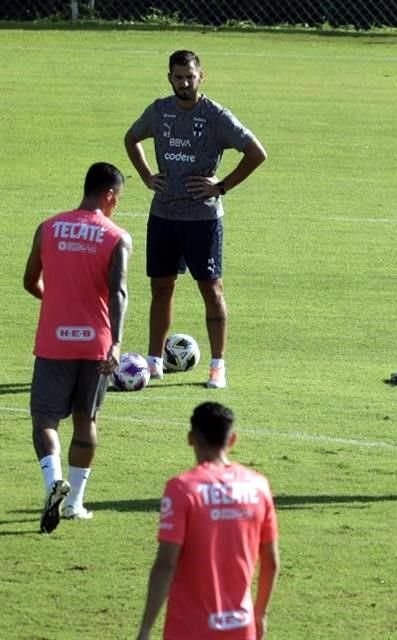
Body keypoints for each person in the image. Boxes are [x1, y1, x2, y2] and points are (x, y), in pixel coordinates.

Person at [124, 49, 267, 389]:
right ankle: (155, 360)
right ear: (169, 78)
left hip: (202, 219)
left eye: (190, 77)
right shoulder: (159, 111)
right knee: (161, 287)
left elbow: (256, 153)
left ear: (201, 77)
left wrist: (221, 186)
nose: (184, 83)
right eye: (178, 77)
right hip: (163, 215)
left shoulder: (216, 116)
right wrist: (146, 176)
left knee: (211, 288)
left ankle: (218, 366)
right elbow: (131, 138)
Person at [23, 162, 132, 534]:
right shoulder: (116, 236)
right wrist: (116, 343)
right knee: (87, 420)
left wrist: (55, 304)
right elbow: (118, 293)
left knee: (45, 420)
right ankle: (74, 504)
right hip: (96, 344)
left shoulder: (48, 228)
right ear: (110, 195)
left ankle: (53, 479)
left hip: (54, 340)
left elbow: (29, 281)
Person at [136, 402, 279, 640]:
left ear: (191, 438)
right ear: (232, 439)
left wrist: (146, 629)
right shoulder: (259, 486)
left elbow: (166, 565)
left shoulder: (182, 489)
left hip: (189, 628)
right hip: (241, 626)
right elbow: (271, 562)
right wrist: (260, 613)